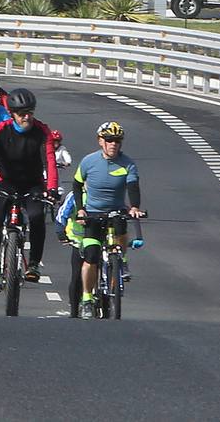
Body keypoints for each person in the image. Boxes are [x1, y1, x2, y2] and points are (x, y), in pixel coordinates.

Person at [0, 87, 58, 291]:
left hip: (32, 183)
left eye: (30, 112)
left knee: (37, 217)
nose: (27, 117)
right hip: (4, 182)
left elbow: (49, 160)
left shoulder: (42, 132)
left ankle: (33, 264)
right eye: (22, 114)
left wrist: (52, 188)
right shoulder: (0, 131)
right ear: (12, 114)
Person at [71, 121, 144, 318]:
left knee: (121, 224)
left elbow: (133, 186)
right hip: (93, 214)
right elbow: (77, 185)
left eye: (117, 141)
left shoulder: (127, 163)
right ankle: (87, 298)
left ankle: (122, 261)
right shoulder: (88, 161)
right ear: (100, 141)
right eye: (109, 140)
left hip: (115, 211)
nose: (114, 144)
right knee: (91, 257)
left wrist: (135, 207)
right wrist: (81, 210)